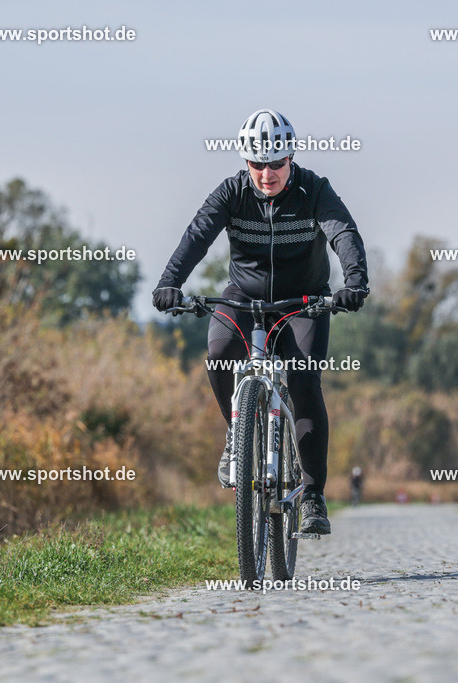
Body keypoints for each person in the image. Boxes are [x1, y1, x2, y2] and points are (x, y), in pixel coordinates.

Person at [152, 109, 369, 535]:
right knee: (218, 354)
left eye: (276, 164)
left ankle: (312, 495)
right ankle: (237, 434)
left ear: (291, 158)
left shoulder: (314, 190)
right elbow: (197, 235)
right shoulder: (232, 192)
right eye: (257, 164)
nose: (266, 174)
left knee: (305, 381)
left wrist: (355, 282)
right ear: (245, 161)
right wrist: (169, 283)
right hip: (245, 298)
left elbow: (343, 232)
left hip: (302, 302)